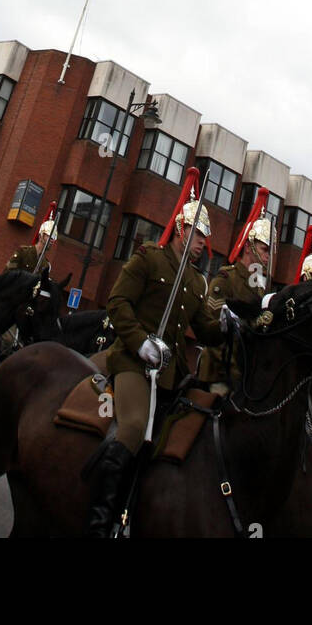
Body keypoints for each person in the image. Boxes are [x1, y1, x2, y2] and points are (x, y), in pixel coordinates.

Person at [86, 184, 234, 537]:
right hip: (134, 363)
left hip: (172, 376)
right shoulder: (149, 258)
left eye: (205, 238)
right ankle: (98, 521)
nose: (202, 243)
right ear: (183, 230)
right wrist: (140, 344)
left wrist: (226, 327)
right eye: (199, 235)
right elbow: (117, 303)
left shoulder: (197, 282)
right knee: (135, 427)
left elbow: (204, 330)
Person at [198, 214, 271, 389]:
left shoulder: (260, 289)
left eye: (270, 251)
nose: (268, 256)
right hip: (219, 373)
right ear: (248, 247)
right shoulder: (227, 278)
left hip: (245, 377)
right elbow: (213, 329)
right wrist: (234, 373)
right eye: (264, 249)